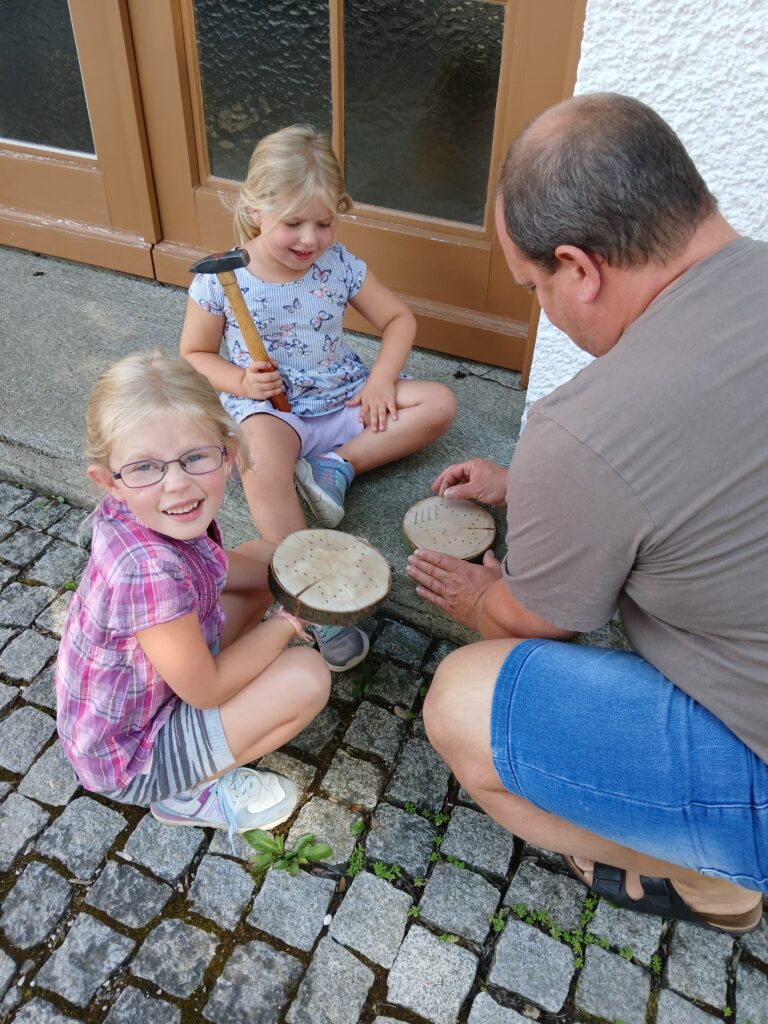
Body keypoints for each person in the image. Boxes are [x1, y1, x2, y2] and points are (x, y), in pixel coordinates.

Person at [407, 93, 768, 934]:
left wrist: (479, 601)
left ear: (580, 265)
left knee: (461, 701)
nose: (543, 303)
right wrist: (540, 486)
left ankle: (711, 881)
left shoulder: (584, 427)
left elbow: (533, 623)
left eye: (535, 284)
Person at [181, 124, 456, 673]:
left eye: (324, 222)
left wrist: (381, 379)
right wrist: (241, 384)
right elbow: (194, 354)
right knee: (258, 462)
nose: (310, 239)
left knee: (438, 404)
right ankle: (310, 588)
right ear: (256, 209)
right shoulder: (222, 280)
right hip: (271, 412)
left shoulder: (337, 267)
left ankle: (336, 466)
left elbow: (399, 319)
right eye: (293, 223)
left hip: (342, 397)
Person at [55, 350, 331, 848]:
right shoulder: (148, 570)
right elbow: (204, 690)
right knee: (308, 677)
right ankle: (184, 795)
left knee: (259, 559)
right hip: (132, 759)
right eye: (145, 467)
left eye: (195, 457)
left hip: (145, 697)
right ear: (108, 481)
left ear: (226, 452)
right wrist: (287, 623)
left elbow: (228, 570)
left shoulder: (152, 516)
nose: (178, 484)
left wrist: (299, 570)